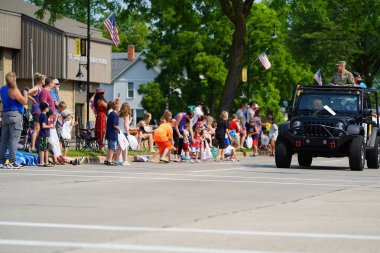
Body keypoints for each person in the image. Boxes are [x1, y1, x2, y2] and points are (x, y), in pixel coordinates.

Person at [0, 72, 29, 169]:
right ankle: (13, 161)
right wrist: (25, 94)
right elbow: (24, 102)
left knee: (4, 139)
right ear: (14, 79)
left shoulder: (2, 89)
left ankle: (2, 161)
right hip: (15, 115)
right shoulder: (14, 89)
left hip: (5, 114)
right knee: (14, 139)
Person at [29, 72, 45, 152]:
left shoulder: (41, 88)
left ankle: (36, 146)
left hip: (40, 110)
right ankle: (32, 147)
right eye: (44, 79)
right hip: (36, 110)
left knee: (39, 129)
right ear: (41, 80)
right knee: (36, 129)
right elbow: (26, 93)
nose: (45, 81)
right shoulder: (36, 88)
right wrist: (33, 99)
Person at [38, 102, 54, 167]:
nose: (48, 108)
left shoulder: (41, 115)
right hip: (44, 134)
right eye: (47, 107)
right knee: (45, 148)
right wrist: (50, 126)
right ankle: (44, 162)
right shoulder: (44, 116)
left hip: (43, 134)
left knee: (44, 148)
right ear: (45, 108)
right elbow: (43, 126)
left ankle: (43, 161)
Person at [104, 100, 121, 165]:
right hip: (113, 133)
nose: (120, 109)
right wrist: (119, 129)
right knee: (112, 148)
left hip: (108, 133)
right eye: (119, 107)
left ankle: (107, 159)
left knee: (109, 148)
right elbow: (115, 125)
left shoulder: (110, 114)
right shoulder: (115, 115)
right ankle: (110, 160)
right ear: (117, 108)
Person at [94, 88, 107, 154]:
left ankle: (100, 148)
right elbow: (108, 107)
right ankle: (102, 149)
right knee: (103, 131)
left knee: (100, 131)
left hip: (99, 116)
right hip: (102, 116)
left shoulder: (96, 101)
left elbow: (95, 111)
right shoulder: (101, 101)